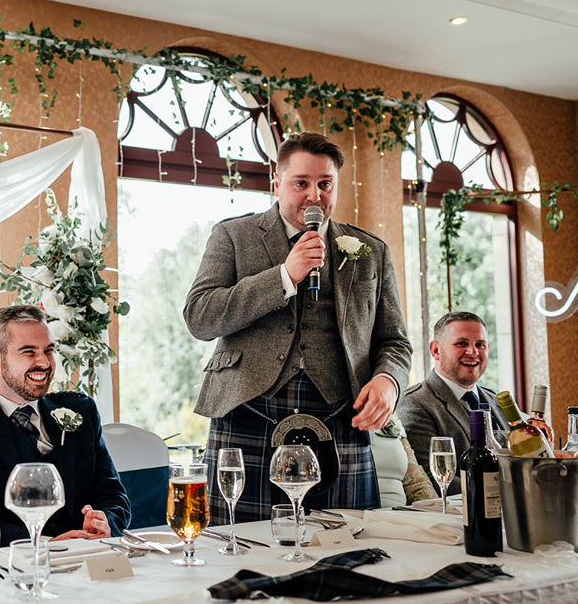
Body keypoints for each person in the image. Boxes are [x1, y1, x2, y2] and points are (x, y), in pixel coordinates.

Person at [183, 131, 412, 521]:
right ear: (277, 183)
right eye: (301, 183)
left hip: (341, 420)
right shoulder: (233, 236)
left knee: (346, 554)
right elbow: (200, 316)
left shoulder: (370, 250)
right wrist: (285, 276)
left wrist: (390, 381)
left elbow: (394, 342)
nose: (314, 197)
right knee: (239, 556)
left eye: (325, 184)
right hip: (248, 416)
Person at [0, 305, 131, 546]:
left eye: (48, 350)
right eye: (29, 352)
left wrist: (105, 523)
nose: (44, 362)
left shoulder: (81, 411)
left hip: (87, 561)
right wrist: (45, 543)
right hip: (6, 567)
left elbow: (114, 497)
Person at [396, 311, 508, 496]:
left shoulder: (497, 402)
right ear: (435, 350)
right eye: (462, 343)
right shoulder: (415, 403)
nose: (473, 352)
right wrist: (503, 493)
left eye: (480, 344)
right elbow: (431, 479)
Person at [370, 413, 438, 507]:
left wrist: (437, 510)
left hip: (400, 514)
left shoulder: (389, 411)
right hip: (361, 516)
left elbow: (416, 482)